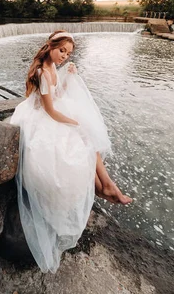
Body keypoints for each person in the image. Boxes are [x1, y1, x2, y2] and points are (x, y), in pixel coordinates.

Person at [10, 30, 132, 273]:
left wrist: (67, 77)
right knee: (84, 137)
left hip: (49, 111)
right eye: (62, 50)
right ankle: (105, 186)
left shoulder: (52, 68)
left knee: (87, 138)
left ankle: (104, 186)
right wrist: (75, 124)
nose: (64, 56)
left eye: (68, 53)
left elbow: (58, 95)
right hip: (39, 118)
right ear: (50, 46)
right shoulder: (43, 72)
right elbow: (50, 111)